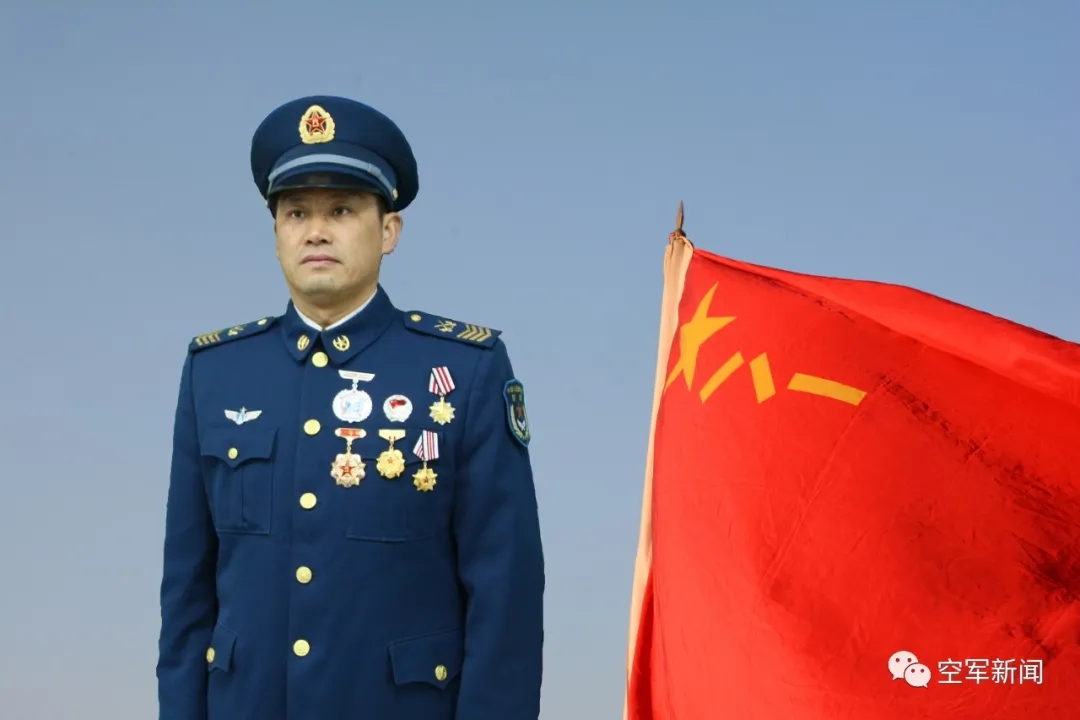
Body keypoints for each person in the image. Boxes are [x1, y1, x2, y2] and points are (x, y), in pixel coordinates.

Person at [155, 95, 545, 719]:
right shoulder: (216, 373)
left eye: (341, 209)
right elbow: (187, 598)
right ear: (276, 232)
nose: (315, 230)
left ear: (388, 230)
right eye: (295, 212)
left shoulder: (466, 371)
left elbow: (507, 598)